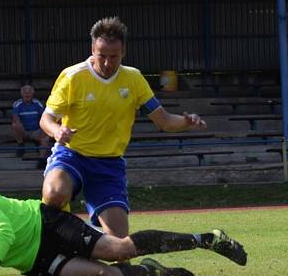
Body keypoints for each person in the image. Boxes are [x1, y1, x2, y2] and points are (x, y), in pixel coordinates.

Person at [0, 177, 247, 276]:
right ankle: (154, 271)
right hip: (33, 262)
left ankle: (209, 239)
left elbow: (2, 231)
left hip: (45, 224)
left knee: (119, 249)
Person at [39, 17, 207, 238]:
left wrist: (186, 122)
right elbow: (46, 119)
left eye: (114, 57)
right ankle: (58, 240)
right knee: (54, 194)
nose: (107, 63)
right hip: (72, 155)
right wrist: (57, 131)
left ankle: (79, 239)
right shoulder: (73, 77)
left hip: (109, 164)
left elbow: (163, 120)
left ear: (123, 52)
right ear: (92, 49)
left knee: (119, 241)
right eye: (102, 56)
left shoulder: (133, 79)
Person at [11, 85, 52, 168]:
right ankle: (21, 145)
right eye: (25, 92)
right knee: (15, 125)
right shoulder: (17, 104)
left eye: (29, 92)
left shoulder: (37, 103)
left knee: (46, 136)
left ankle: (41, 160)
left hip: (36, 131)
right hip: (24, 131)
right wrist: (20, 127)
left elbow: (44, 117)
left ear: (32, 94)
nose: (27, 94)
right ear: (22, 94)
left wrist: (42, 130)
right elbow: (15, 118)